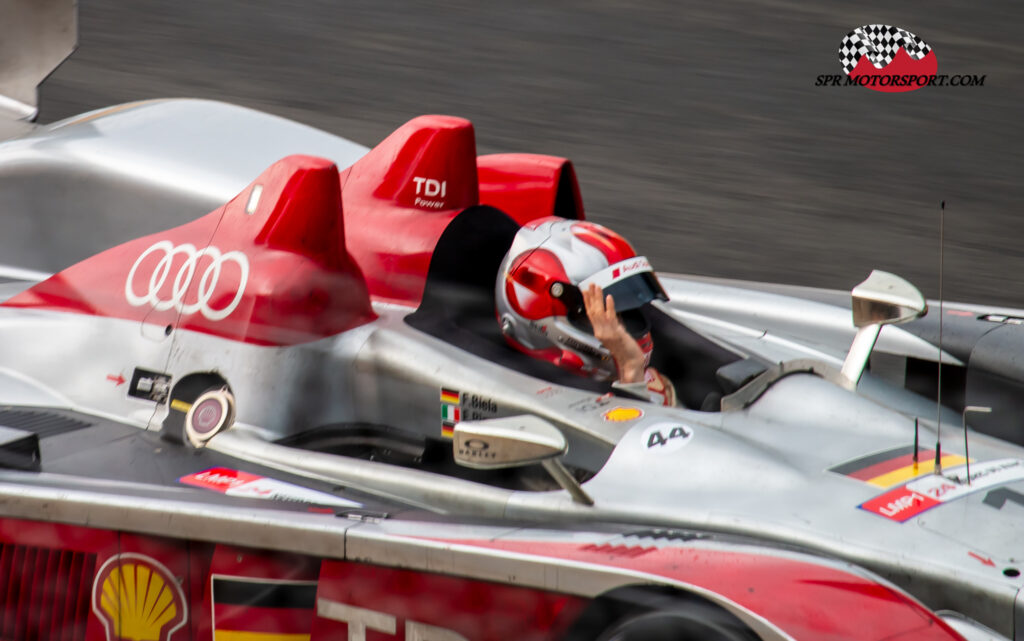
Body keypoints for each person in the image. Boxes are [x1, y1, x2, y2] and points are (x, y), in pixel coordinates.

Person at [495, 217, 677, 406]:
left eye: (621, 307)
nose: (618, 324)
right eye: (597, 311)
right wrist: (630, 371)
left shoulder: (654, 384)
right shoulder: (537, 404)